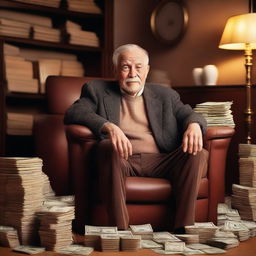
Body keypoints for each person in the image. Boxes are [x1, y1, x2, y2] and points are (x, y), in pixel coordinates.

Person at [64, 44, 208, 233]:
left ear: (147, 71)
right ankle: (120, 230)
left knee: (197, 153)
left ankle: (183, 228)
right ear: (116, 70)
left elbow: (189, 114)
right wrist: (108, 126)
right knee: (108, 147)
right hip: (122, 159)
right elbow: (75, 111)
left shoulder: (166, 95)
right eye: (126, 67)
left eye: (138, 67)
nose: (133, 73)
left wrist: (194, 125)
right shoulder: (96, 90)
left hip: (162, 161)